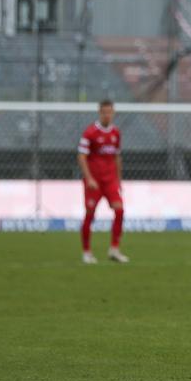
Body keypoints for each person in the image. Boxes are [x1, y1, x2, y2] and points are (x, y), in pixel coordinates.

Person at [77, 100, 129, 264]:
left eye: (110, 112)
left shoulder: (116, 133)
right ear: (99, 113)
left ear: (113, 113)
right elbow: (81, 156)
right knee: (90, 214)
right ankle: (87, 252)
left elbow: (117, 157)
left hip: (110, 180)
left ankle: (114, 249)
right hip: (94, 182)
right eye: (104, 112)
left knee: (120, 210)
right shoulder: (90, 132)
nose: (107, 115)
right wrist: (89, 178)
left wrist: (119, 180)